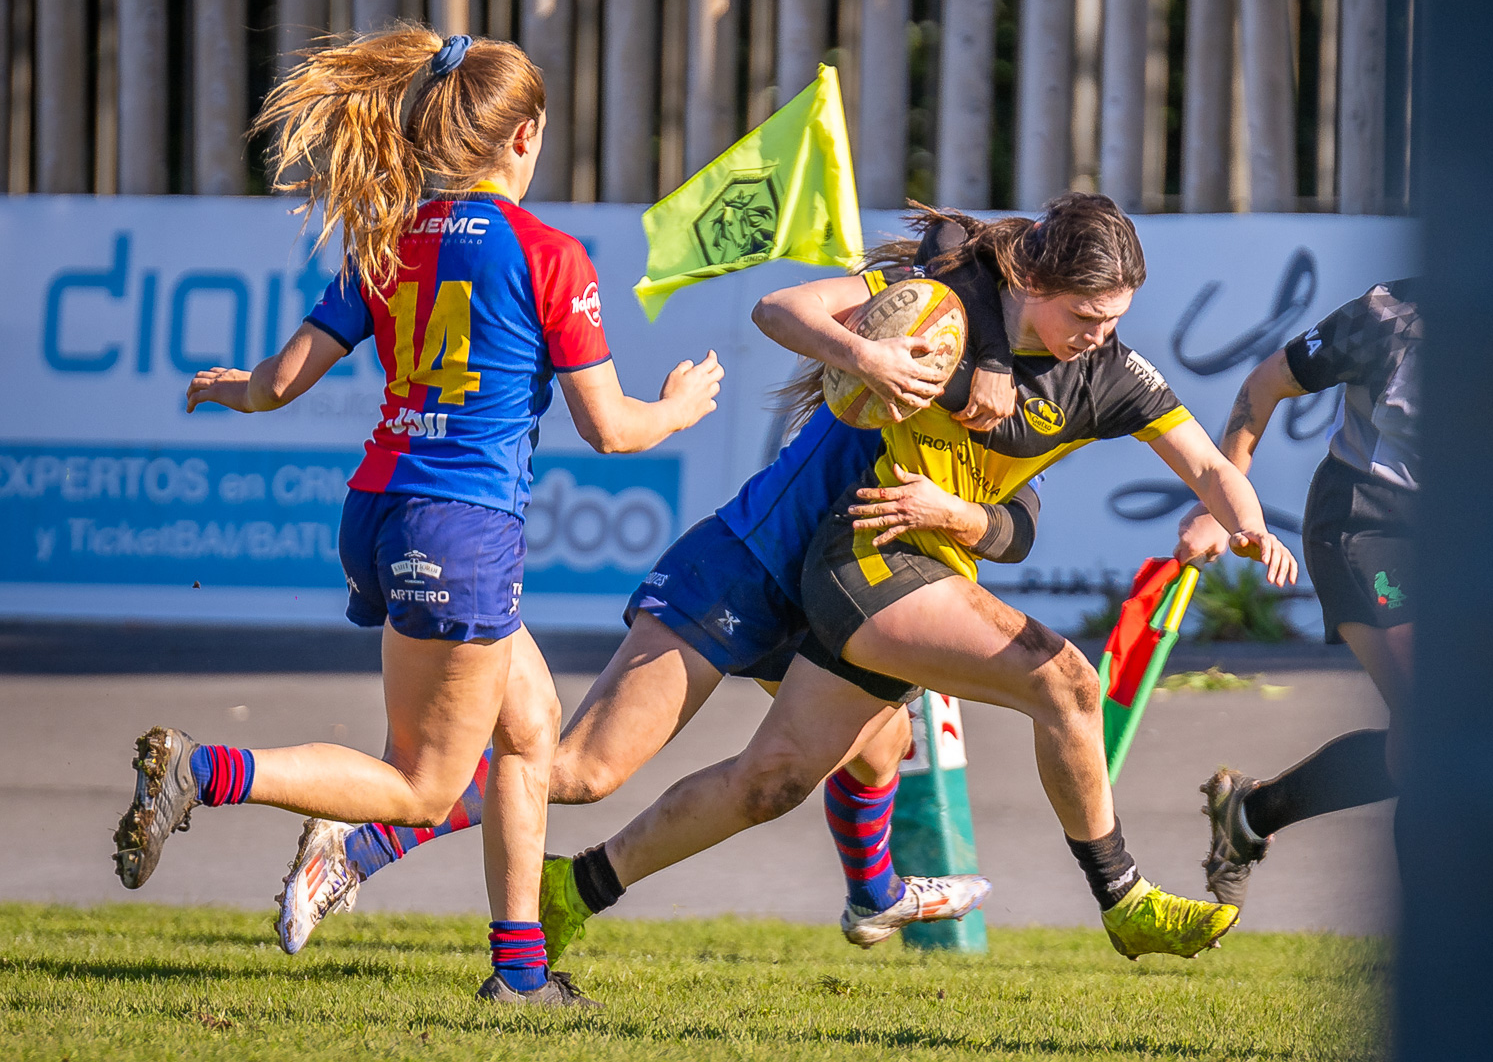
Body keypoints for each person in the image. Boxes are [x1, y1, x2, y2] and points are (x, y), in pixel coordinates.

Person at [110, 28, 722, 1006]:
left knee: (531, 725)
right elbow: (610, 430)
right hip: (462, 530)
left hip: (381, 511)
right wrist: (680, 406)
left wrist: (230, 391)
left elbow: (277, 384)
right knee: (422, 786)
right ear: (524, 136)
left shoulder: (388, 237)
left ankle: (521, 977)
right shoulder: (550, 256)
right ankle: (206, 768)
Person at [530, 194, 1301, 964]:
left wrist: (1246, 521)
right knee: (1067, 683)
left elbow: (1201, 464)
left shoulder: (1107, 373)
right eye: (1086, 317)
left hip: (919, 565)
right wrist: (872, 357)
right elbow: (800, 303)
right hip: (867, 553)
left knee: (773, 780)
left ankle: (577, 888)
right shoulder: (940, 305)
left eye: (1114, 320)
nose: (1099, 338)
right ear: (1032, 280)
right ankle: (1122, 895)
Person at [274, 218, 1024, 958]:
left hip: (832, 591)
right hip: (743, 565)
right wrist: (869, 349)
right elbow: (813, 298)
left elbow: (1019, 516)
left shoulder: (1012, 391)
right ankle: (359, 843)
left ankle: (873, 897)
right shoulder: (920, 328)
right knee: (580, 769)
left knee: (882, 744)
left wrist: (965, 516)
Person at [1194, 278, 1421, 910]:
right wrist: (1222, 503)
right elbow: (1265, 385)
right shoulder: (1390, 317)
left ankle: (1252, 812)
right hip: (1367, 522)